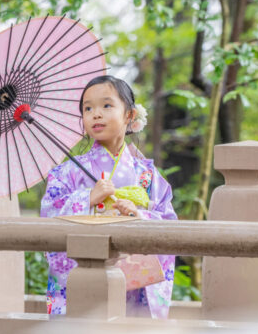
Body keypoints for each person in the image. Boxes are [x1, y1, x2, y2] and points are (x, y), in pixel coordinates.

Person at [39, 75, 177, 318]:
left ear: (129, 115)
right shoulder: (66, 173)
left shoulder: (147, 175)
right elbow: (49, 223)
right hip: (84, 277)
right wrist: (87, 199)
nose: (96, 114)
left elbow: (170, 225)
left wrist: (138, 215)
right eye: (87, 108)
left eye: (106, 105)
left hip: (134, 283)